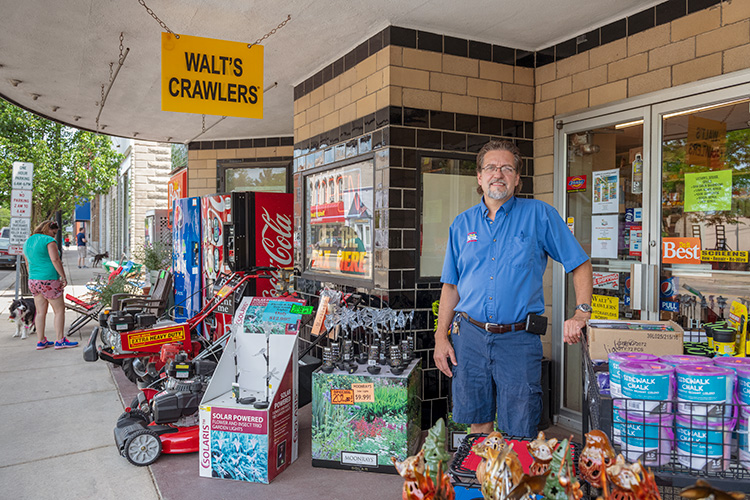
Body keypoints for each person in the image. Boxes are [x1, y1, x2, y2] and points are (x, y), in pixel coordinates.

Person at [433, 140, 592, 438]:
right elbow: (451, 286)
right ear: (479, 178)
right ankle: (482, 483)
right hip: (469, 338)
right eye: (491, 167)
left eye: (507, 168)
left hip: (518, 340)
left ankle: (514, 485)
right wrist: (441, 337)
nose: (498, 174)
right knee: (477, 424)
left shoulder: (539, 215)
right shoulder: (461, 224)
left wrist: (582, 312)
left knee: (519, 428)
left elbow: (579, 263)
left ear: (517, 179)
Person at [23, 220, 78, 350]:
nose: (54, 235)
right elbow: (55, 259)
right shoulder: (48, 240)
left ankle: (41, 341)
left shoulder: (28, 241)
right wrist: (63, 277)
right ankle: (60, 340)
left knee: (41, 312)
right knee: (59, 310)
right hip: (49, 279)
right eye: (54, 232)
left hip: (33, 280)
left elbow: (27, 263)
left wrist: (34, 277)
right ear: (48, 229)